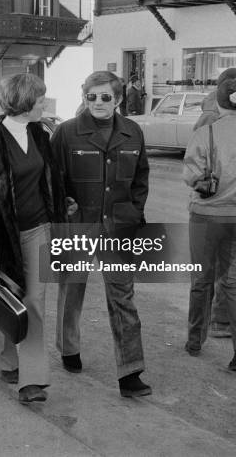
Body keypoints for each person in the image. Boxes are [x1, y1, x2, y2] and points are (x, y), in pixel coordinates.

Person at [51, 71, 152, 397]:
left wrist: (133, 213)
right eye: (91, 97)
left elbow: (140, 180)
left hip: (119, 226)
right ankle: (69, 349)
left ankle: (130, 371)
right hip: (77, 225)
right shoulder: (66, 133)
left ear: (118, 99)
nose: (97, 103)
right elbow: (53, 179)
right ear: (84, 97)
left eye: (105, 97)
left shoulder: (133, 133)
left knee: (123, 299)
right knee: (72, 292)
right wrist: (62, 206)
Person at [0, 73, 68, 404]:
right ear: (25, 101)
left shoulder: (40, 133)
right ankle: (7, 361)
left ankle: (32, 380)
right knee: (6, 300)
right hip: (3, 237)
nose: (45, 103)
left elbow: (51, 182)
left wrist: (60, 216)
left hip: (38, 229)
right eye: (40, 98)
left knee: (35, 303)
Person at [183, 79, 236, 371]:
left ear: (218, 102)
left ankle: (195, 340)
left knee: (201, 280)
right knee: (234, 282)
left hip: (206, 216)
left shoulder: (205, 133)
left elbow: (191, 175)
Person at [194, 67, 236, 338]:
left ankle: (219, 320)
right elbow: (196, 160)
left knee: (226, 267)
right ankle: (212, 324)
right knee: (213, 268)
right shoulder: (211, 116)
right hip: (214, 202)